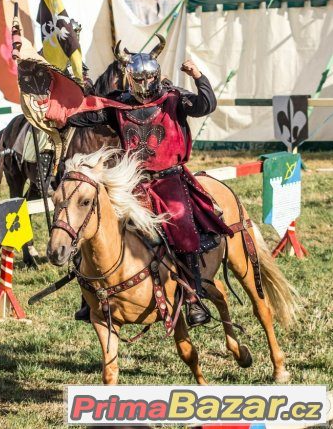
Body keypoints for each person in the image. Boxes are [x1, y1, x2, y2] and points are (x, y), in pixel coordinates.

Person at [66, 34, 233, 327]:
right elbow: (84, 117)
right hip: (132, 181)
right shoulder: (118, 105)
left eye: (148, 80)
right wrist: (59, 111)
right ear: (128, 80)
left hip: (170, 179)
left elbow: (205, 105)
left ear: (156, 77)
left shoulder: (173, 99)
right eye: (138, 81)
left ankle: (192, 296)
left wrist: (199, 76)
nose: (143, 86)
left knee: (180, 220)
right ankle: (88, 296)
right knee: (95, 221)